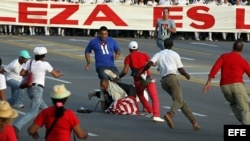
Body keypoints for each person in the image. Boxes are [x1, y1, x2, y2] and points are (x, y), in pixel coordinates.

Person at [142, 38, 200, 130]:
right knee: (179, 101)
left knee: (180, 102)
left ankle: (194, 122)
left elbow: (149, 63)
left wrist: (142, 71)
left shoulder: (159, 54)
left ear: (164, 45)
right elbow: (180, 69)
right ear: (172, 45)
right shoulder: (175, 54)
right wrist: (186, 75)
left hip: (164, 82)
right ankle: (170, 114)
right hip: (172, 78)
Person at [13, 47, 63, 138]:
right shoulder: (45, 64)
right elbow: (56, 75)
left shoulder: (29, 62)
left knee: (46, 110)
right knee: (33, 112)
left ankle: (41, 128)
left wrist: (32, 73)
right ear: (44, 56)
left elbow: (22, 73)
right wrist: (60, 73)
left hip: (30, 89)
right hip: (38, 90)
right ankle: (16, 127)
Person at [203, 40, 250, 125]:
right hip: (237, 85)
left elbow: (215, 68)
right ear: (242, 49)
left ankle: (243, 121)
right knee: (245, 107)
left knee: (233, 104)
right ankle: (246, 123)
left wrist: (209, 81)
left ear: (233, 47)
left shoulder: (224, 56)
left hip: (224, 86)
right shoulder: (243, 61)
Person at [119, 41, 164, 122]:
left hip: (138, 81)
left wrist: (119, 77)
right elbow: (153, 63)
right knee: (154, 97)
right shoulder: (143, 54)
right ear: (137, 48)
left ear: (129, 49)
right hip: (147, 78)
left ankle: (151, 111)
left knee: (140, 95)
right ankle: (156, 115)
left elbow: (125, 71)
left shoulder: (128, 58)